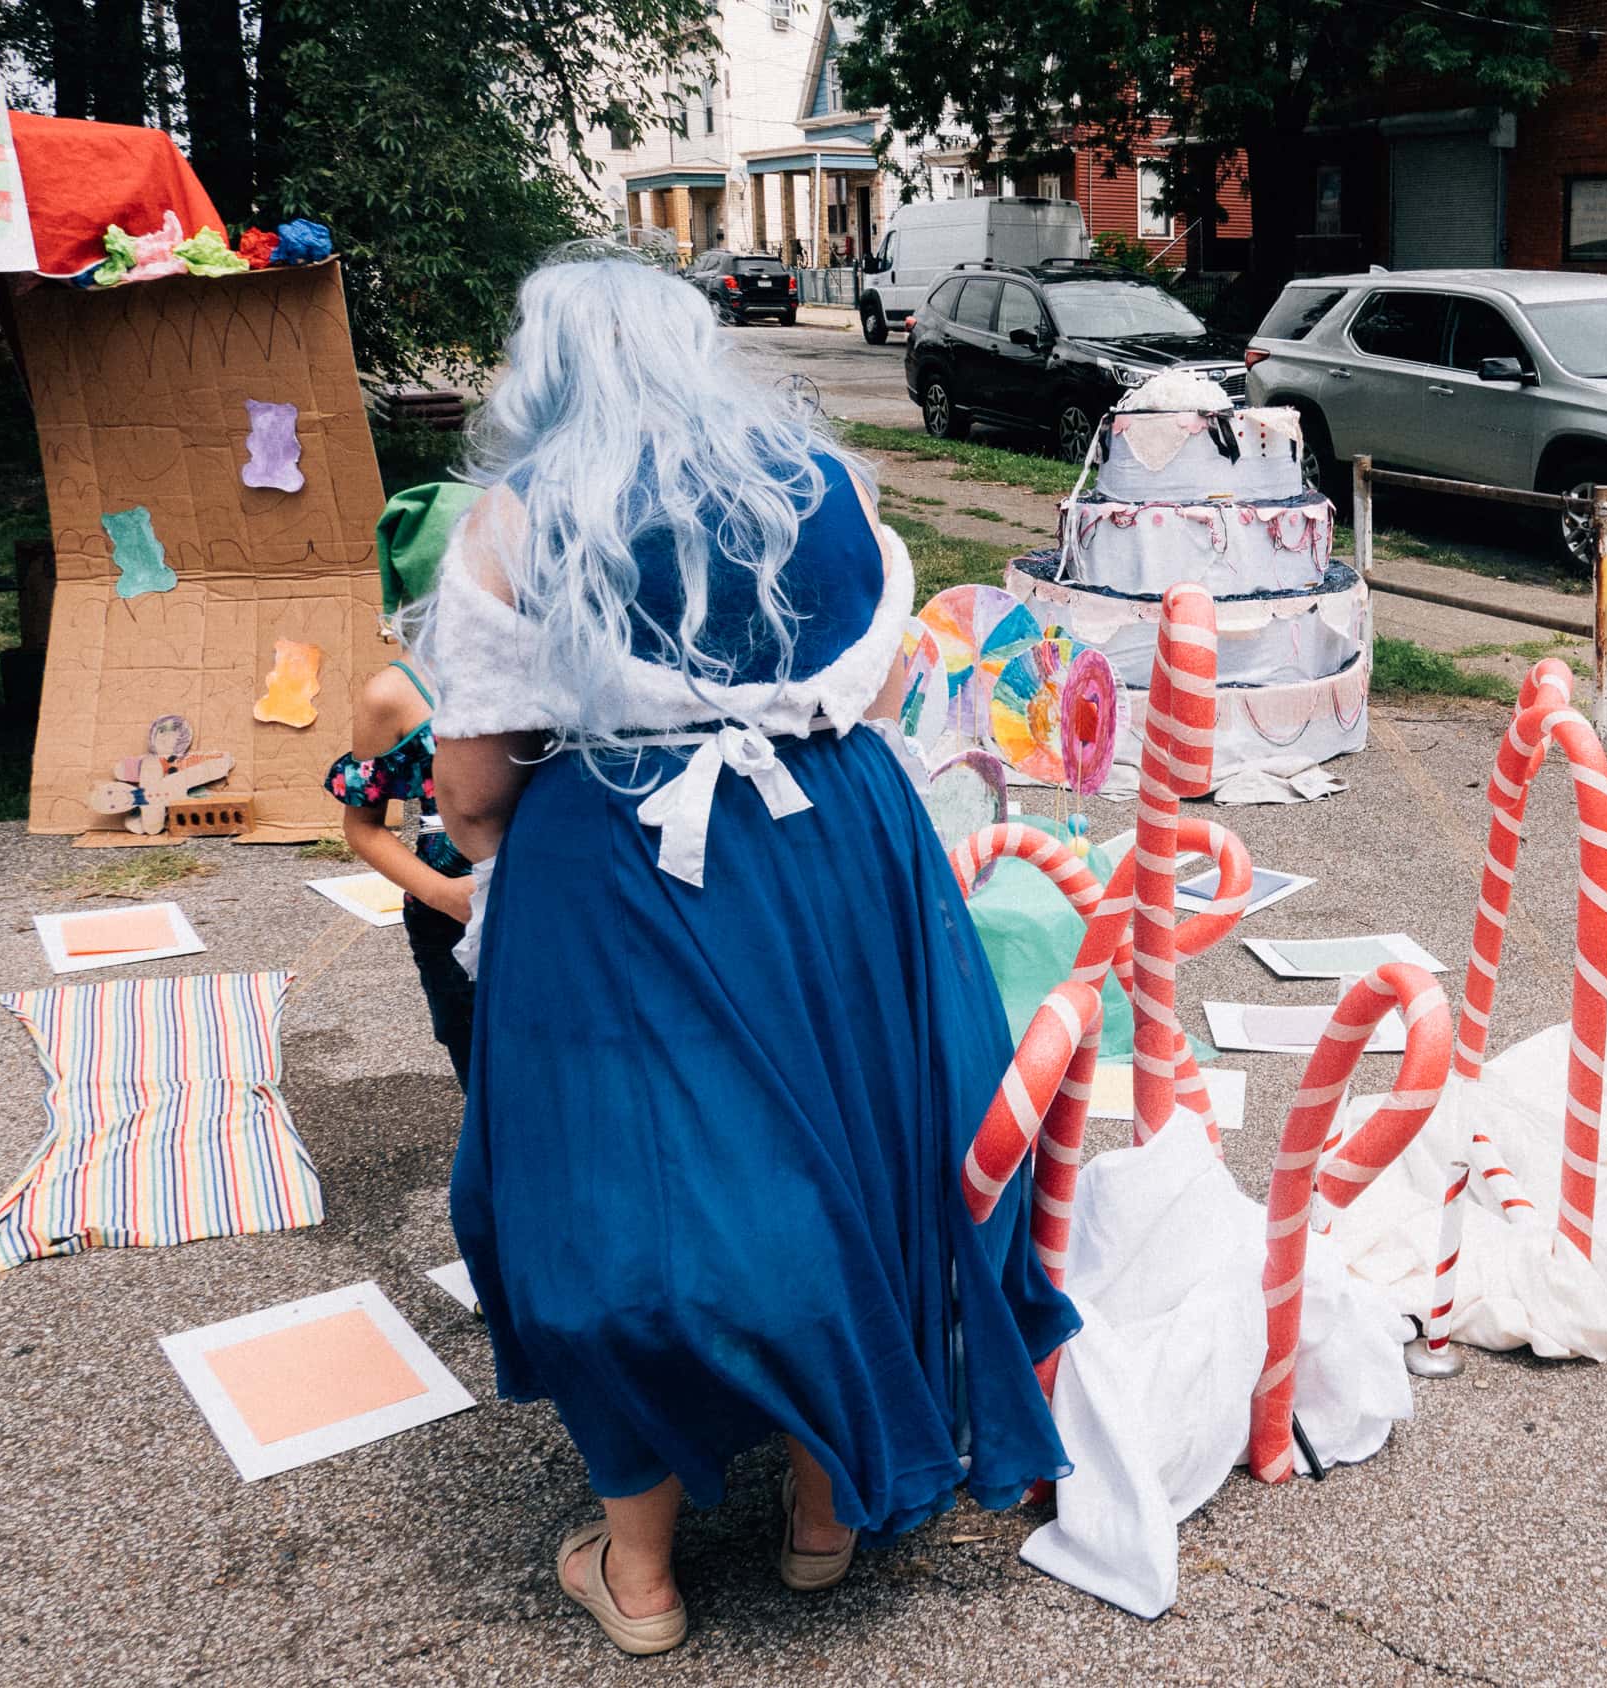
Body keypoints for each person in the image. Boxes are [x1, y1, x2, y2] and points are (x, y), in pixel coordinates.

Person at [421, 248, 1074, 1657]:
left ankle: (640, 1570)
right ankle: (823, 1512)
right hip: (843, 848)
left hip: (625, 866)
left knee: (604, 1196)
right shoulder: (824, 490)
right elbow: (886, 676)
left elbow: (473, 794)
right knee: (857, 1152)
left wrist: (500, 865)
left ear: (543, 375)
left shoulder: (514, 523)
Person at [325, 483, 481, 1087]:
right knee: (481, 1063)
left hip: (555, 900)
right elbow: (363, 828)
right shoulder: (392, 696)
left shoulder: (547, 664)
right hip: (453, 914)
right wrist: (442, 895)